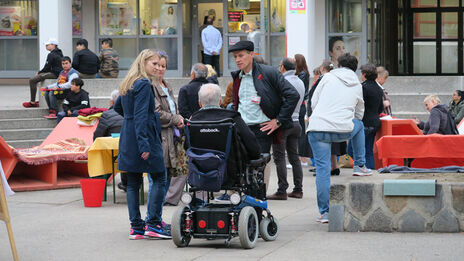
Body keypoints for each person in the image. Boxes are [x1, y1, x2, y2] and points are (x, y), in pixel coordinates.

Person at [307, 53, 372, 224]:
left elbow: (314, 101)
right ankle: (359, 165)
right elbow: (360, 111)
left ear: (338, 64)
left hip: (318, 127)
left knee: (322, 169)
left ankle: (324, 213)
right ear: (355, 68)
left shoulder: (327, 77)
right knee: (359, 124)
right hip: (342, 129)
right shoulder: (357, 84)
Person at [113, 49, 170, 240]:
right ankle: (153, 224)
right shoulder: (144, 84)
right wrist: (144, 145)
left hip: (128, 136)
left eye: (159, 64)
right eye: (153, 63)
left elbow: (117, 107)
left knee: (133, 183)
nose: (157, 67)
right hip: (143, 136)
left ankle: (136, 227)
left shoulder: (129, 81)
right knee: (160, 177)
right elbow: (140, 116)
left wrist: (130, 121)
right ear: (143, 62)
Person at [229, 40, 299, 192]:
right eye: (235, 57)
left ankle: (257, 208)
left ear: (251, 55)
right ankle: (243, 205)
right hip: (241, 130)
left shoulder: (268, 73)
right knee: (240, 170)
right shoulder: (238, 77)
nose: (237, 60)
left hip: (261, 130)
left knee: (257, 173)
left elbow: (293, 95)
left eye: (241, 56)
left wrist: (278, 121)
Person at [190, 84, 261, 185]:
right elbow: (251, 142)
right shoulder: (232, 118)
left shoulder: (193, 122)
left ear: (200, 103)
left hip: (200, 172)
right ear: (220, 101)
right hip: (230, 173)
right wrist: (256, 156)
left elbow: (187, 147)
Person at [151, 51, 186, 206]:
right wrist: (175, 119)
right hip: (160, 137)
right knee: (158, 180)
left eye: (163, 66)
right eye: (157, 65)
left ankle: (156, 219)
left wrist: (178, 118)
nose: (160, 68)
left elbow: (172, 109)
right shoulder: (150, 86)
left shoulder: (167, 85)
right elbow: (156, 113)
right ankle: (153, 219)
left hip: (172, 137)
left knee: (167, 180)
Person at [267, 58, 304, 200]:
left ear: (282, 67)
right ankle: (298, 189)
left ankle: (282, 190)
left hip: (283, 123)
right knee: (295, 157)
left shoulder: (282, 81)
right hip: (296, 121)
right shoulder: (300, 81)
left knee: (280, 157)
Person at [308, 60, 345, 176]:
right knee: (332, 142)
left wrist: (312, 114)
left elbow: (314, 99)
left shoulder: (324, 80)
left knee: (324, 143)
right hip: (336, 114)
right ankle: (334, 166)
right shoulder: (338, 80)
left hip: (324, 115)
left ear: (322, 69)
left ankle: (326, 168)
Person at [93, 90, 125, 191]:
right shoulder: (133, 112)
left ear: (111, 102)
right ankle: (126, 183)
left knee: (103, 155)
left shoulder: (107, 115)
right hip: (130, 153)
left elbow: (97, 136)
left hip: (111, 152)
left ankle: (98, 185)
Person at [357, 64, 384, 170]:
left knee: (352, 149)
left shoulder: (363, 87)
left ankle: (361, 167)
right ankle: (369, 170)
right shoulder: (379, 88)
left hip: (364, 122)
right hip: (375, 122)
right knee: (368, 150)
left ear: (364, 74)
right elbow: (380, 108)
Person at [23, 38, 63, 108]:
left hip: (55, 74)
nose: (46, 46)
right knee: (40, 75)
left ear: (53, 45)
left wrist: (39, 72)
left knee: (32, 80)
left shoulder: (51, 54)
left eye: (48, 45)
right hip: (58, 73)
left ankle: (32, 102)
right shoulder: (59, 52)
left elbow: (47, 67)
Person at [294, 54, 311, 168]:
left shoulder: (302, 74)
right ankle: (301, 157)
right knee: (300, 131)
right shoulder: (304, 73)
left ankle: (302, 158)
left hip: (299, 105)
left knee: (300, 132)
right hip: (301, 105)